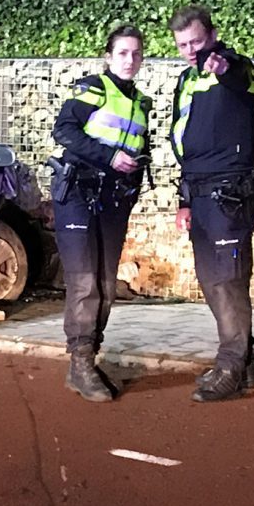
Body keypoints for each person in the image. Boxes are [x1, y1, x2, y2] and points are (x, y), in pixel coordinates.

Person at [169, 5, 254, 403]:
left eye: (196, 41)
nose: (191, 50)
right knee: (212, 280)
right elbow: (184, 143)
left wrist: (220, 65)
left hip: (231, 191)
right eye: (182, 45)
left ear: (212, 35)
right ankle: (238, 355)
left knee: (227, 280)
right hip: (199, 191)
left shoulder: (236, 68)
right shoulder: (186, 79)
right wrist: (184, 199)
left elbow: (235, 76)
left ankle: (231, 364)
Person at [50, 26, 152, 402]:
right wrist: (108, 157)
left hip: (114, 199)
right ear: (108, 56)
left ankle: (88, 359)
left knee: (107, 285)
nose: (129, 60)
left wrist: (130, 191)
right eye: (123, 53)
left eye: (136, 54)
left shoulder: (141, 103)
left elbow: (140, 156)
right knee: (85, 281)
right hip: (78, 192)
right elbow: (63, 130)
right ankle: (79, 364)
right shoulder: (93, 88)